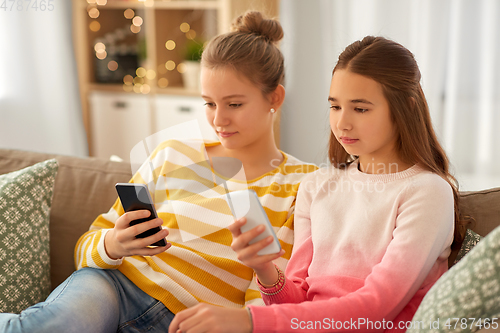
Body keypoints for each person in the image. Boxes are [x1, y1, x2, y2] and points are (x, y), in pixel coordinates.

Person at [0, 11, 317, 333]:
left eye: (234, 104)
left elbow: (273, 301)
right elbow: (85, 247)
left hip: (188, 321)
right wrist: (114, 243)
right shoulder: (173, 153)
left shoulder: (300, 184)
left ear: (274, 98)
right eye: (209, 103)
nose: (219, 120)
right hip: (113, 287)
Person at [168, 36, 466, 333]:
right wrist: (265, 270)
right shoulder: (316, 186)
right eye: (335, 107)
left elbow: (375, 308)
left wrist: (250, 321)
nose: (343, 123)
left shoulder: (427, 192)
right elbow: (296, 303)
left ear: (406, 107)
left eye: (360, 109)